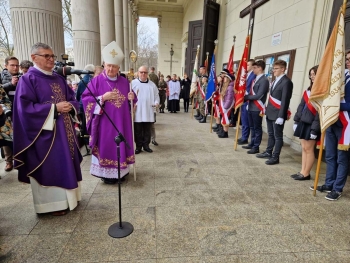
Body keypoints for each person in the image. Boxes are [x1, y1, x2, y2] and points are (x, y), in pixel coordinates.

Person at [13, 42, 82, 215]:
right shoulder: (28, 79)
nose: (51, 59)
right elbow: (25, 110)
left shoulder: (58, 78)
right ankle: (52, 206)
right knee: (52, 166)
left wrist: (70, 106)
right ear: (34, 58)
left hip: (65, 132)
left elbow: (73, 98)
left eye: (53, 56)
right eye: (47, 56)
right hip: (45, 136)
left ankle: (71, 200)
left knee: (67, 162)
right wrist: (54, 109)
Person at [82, 41, 136, 184]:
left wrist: (132, 98)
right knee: (107, 145)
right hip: (105, 123)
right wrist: (102, 98)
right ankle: (106, 175)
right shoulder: (97, 81)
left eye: (114, 66)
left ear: (119, 67)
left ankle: (122, 172)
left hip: (122, 122)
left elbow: (132, 100)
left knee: (122, 145)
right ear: (104, 65)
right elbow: (86, 99)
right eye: (108, 65)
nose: (111, 69)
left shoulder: (125, 82)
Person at [310, 52, 350, 200]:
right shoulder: (340, 77)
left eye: (349, 60)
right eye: (346, 59)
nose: (347, 62)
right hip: (332, 120)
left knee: (341, 159)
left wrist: (336, 105)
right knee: (330, 156)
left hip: (346, 124)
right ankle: (329, 183)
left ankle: (337, 188)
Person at [256, 60, 293, 165]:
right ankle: (268, 152)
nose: (274, 71)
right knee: (270, 134)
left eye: (276, 69)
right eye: (273, 68)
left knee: (278, 136)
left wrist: (281, 116)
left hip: (278, 114)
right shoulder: (275, 80)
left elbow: (285, 100)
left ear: (283, 69)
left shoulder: (286, 82)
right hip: (270, 112)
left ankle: (275, 156)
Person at [290, 65, 320, 181]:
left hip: (312, 124)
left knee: (309, 148)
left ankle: (306, 173)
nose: (312, 76)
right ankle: (302, 171)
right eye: (311, 74)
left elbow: (319, 113)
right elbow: (301, 106)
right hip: (303, 121)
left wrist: (314, 129)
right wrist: (296, 120)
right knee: (303, 148)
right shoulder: (308, 90)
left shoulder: (321, 92)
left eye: (314, 74)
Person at [243, 60, 269, 154]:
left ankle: (256, 146)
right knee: (252, 127)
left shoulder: (264, 80)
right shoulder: (255, 79)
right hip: (251, 106)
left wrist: (245, 97)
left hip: (257, 108)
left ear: (260, 68)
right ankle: (252, 143)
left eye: (255, 68)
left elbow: (258, 95)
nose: (253, 69)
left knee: (257, 128)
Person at [132, 66, 159, 154]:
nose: (143, 74)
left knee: (147, 130)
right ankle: (138, 146)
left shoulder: (152, 85)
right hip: (138, 110)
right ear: (138, 73)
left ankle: (146, 146)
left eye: (145, 72)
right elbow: (129, 95)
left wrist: (156, 102)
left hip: (148, 110)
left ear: (147, 73)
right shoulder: (133, 83)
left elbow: (156, 96)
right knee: (138, 130)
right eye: (141, 72)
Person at [76, 64, 95, 150]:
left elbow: (78, 95)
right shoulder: (93, 80)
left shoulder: (82, 81)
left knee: (85, 123)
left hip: (83, 105)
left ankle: (86, 141)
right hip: (93, 105)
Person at [238, 59, 256, 145]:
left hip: (248, 100)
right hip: (243, 99)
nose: (246, 66)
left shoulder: (253, 75)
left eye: (248, 65)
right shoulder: (246, 75)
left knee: (246, 120)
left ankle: (245, 137)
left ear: (253, 66)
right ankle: (243, 136)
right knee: (243, 119)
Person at [217, 72, 235, 138]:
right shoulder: (226, 86)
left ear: (228, 79)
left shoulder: (230, 87)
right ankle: (224, 131)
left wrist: (225, 107)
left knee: (225, 118)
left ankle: (225, 132)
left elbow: (229, 98)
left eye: (225, 77)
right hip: (224, 105)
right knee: (223, 118)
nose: (224, 78)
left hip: (227, 106)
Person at [0, 86, 13, 171]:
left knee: (10, 142)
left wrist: (3, 109)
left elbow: (6, 101)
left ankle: (19, 162)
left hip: (3, 121)